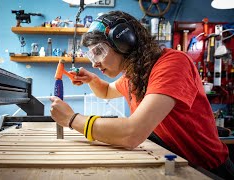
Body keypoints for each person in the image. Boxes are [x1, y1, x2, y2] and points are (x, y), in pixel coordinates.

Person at [49, 10, 234, 179]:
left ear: (125, 40)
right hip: (175, 161)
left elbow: (133, 133)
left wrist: (71, 119)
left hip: (208, 170)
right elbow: (106, 91)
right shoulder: (135, 73)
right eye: (92, 55)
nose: (95, 63)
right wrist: (92, 80)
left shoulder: (172, 65)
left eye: (100, 51)